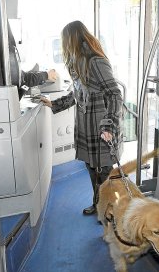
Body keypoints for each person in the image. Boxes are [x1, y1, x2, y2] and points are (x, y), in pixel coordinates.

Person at [40, 21, 123, 215]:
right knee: (92, 168)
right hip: (87, 127)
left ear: (71, 41)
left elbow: (114, 94)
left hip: (102, 128)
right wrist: (55, 104)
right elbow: (77, 93)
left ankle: (110, 211)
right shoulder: (77, 63)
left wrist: (109, 126)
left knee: (104, 172)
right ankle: (98, 204)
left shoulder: (95, 61)